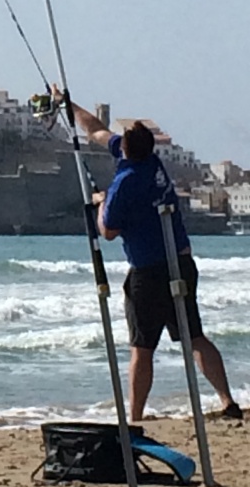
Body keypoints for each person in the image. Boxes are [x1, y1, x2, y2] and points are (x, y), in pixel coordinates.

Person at [59, 91, 242, 424]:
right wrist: (68, 105)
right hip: (181, 262)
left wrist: (100, 202)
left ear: (127, 148)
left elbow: (108, 231)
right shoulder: (152, 163)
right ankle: (228, 401)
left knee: (142, 348)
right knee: (194, 336)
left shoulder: (125, 183)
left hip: (148, 272)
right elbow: (96, 130)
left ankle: (136, 416)